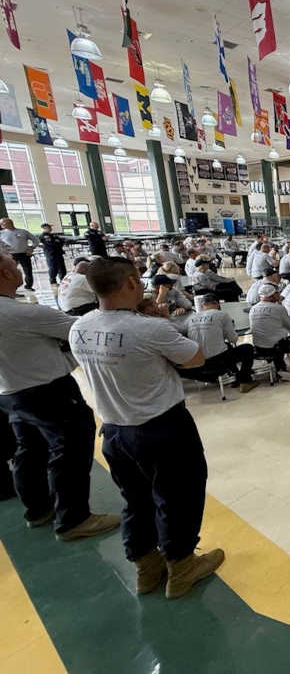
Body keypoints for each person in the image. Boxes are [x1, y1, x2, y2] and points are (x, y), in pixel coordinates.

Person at [70, 256, 225, 599]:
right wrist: (157, 323)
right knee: (178, 497)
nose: (142, 284)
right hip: (161, 428)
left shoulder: (79, 327)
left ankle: (145, 566)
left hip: (113, 430)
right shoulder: (148, 328)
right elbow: (195, 357)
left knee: (135, 500)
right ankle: (181, 566)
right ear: (128, 283)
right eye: (138, 279)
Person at [0, 253, 121, 541]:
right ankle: (73, 518)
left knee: (28, 450)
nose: (19, 270)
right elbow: (81, 330)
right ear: (6, 275)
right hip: (47, 391)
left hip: (9, 392)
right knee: (69, 450)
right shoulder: (23, 313)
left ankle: (38, 509)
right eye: (14, 266)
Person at [182, 293, 258, 393]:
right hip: (218, 362)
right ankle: (245, 380)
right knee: (247, 348)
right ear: (218, 304)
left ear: (202, 305)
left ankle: (235, 377)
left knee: (226, 347)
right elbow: (233, 339)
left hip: (198, 363)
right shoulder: (222, 315)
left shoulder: (190, 319)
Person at [248, 284, 290, 382]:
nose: (279, 294)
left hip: (259, 347)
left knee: (273, 337)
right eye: (277, 292)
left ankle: (280, 368)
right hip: (277, 348)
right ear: (272, 295)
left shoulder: (253, 309)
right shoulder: (278, 308)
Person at [0, 217, 37, 291]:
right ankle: (13, 288)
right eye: (0, 223)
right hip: (10, 255)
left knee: (28, 271)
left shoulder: (23, 231)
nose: (1, 224)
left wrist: (31, 248)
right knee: (11, 272)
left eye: (2, 222)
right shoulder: (1, 233)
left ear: (10, 222)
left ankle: (28, 286)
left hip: (24, 254)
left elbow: (36, 240)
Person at [38, 223, 67, 288]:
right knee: (53, 268)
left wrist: (57, 242)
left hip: (58, 253)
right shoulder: (44, 236)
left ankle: (63, 281)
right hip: (51, 254)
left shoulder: (53, 235)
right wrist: (57, 242)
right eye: (49, 227)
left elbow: (61, 242)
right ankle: (53, 282)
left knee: (62, 269)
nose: (51, 228)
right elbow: (51, 243)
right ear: (45, 228)